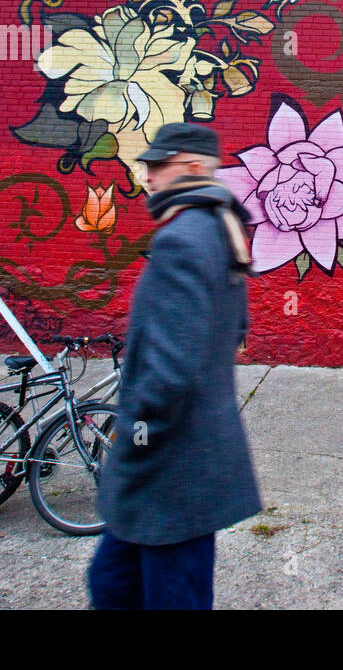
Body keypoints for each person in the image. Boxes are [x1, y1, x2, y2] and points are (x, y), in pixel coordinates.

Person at [88, 121, 261, 610]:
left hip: (169, 463)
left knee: (153, 591)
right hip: (187, 456)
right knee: (114, 582)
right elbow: (234, 329)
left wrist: (138, 432)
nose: (147, 175)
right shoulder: (222, 229)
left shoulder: (182, 239)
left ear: (190, 167)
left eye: (158, 165)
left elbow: (172, 367)